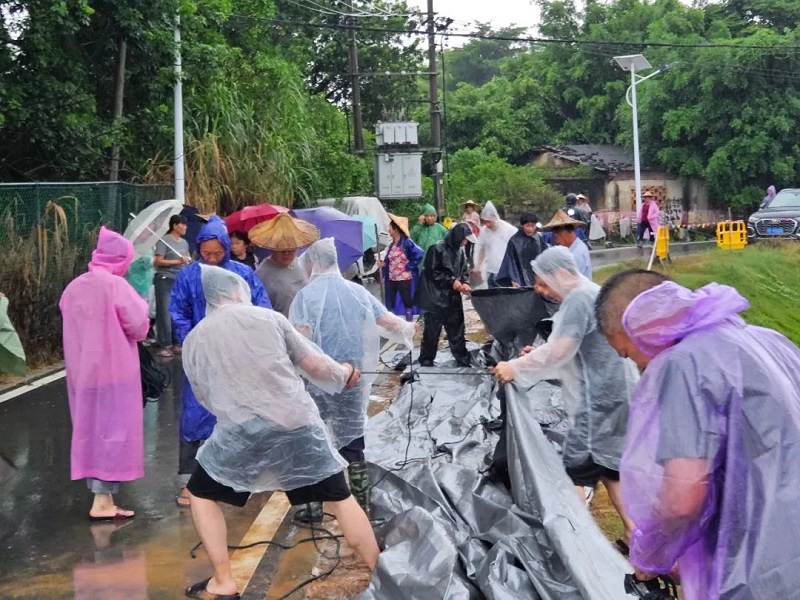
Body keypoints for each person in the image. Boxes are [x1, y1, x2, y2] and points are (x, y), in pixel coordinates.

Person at [595, 271, 800, 599]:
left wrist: (652, 554)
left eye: (627, 353)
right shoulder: (762, 339)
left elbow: (682, 498)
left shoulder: (683, 364)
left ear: (639, 327)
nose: (638, 367)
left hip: (762, 567)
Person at [182, 265, 378, 599]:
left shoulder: (195, 338)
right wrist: (344, 373)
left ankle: (223, 581)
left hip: (242, 431)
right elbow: (316, 366)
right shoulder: (269, 318)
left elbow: (204, 396)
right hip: (296, 423)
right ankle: (381, 571)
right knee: (340, 499)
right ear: (236, 290)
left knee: (201, 494)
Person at [491, 247, 636, 550]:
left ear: (561, 274)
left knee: (575, 473)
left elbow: (559, 351)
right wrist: (538, 355)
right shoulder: (591, 292)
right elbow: (571, 349)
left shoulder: (579, 299)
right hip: (613, 395)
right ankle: (635, 533)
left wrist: (514, 367)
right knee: (610, 472)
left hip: (598, 404)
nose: (542, 291)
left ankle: (575, 544)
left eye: (543, 283)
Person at [290, 239, 415, 517]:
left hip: (318, 378)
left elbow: (300, 340)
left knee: (316, 437)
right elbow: (389, 322)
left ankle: (314, 507)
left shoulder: (305, 297)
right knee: (353, 438)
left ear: (313, 263)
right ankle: (362, 503)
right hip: (356, 377)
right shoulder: (357, 291)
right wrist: (409, 329)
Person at [170, 216, 272, 508]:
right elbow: (178, 311)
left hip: (236, 358)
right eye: (206, 253)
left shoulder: (242, 274)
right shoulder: (188, 276)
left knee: (239, 415)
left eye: (217, 253)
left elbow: (260, 309)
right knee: (194, 416)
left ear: (227, 248)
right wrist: (192, 342)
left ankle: (237, 477)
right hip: (201, 359)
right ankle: (189, 483)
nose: (212, 258)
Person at [59, 227, 150, 520]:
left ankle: (102, 496)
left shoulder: (73, 287)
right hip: (116, 370)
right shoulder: (115, 286)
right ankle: (102, 499)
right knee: (115, 431)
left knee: (90, 429)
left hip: (82, 371)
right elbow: (139, 325)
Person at [418, 223, 476, 367]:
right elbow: (431, 272)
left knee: (457, 329)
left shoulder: (460, 251)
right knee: (432, 331)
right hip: (435, 297)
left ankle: (462, 358)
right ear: (458, 236)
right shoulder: (437, 248)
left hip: (453, 298)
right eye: (464, 239)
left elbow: (464, 270)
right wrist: (451, 281)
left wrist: (464, 282)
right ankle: (426, 360)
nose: (465, 242)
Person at [251, 213, 319, 318]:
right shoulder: (262, 274)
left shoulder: (299, 264)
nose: (287, 253)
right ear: (272, 247)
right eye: (281, 248)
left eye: (291, 247)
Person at [153, 215, 190, 358]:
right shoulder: (164, 240)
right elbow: (158, 261)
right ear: (175, 225)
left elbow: (184, 259)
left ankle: (176, 342)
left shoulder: (185, 243)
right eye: (183, 224)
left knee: (177, 311)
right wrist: (177, 261)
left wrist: (185, 262)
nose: (185, 227)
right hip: (165, 279)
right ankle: (164, 343)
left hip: (179, 279)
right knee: (164, 312)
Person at [382, 213, 424, 321]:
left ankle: (409, 323)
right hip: (392, 277)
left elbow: (419, 253)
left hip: (404, 278)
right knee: (391, 300)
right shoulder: (392, 244)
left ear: (395, 229)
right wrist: (383, 264)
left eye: (390, 227)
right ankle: (394, 323)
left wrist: (409, 266)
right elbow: (389, 260)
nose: (388, 230)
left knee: (407, 301)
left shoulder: (406, 242)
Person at [473, 201, 517, 288]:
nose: (487, 224)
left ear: (494, 217)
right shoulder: (485, 231)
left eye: (489, 221)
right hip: (491, 270)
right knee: (492, 296)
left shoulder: (508, 230)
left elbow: (516, 248)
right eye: (485, 221)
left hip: (505, 271)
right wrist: (478, 266)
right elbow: (482, 249)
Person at [495, 213, 545, 288]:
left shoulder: (538, 238)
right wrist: (513, 279)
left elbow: (544, 256)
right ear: (522, 226)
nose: (530, 229)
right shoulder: (514, 241)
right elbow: (509, 261)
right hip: (521, 278)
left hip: (538, 276)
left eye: (532, 226)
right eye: (527, 226)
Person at [540, 209, 592, 279]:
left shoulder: (575, 255)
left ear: (565, 233)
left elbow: (570, 282)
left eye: (556, 237)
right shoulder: (576, 247)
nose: (556, 241)